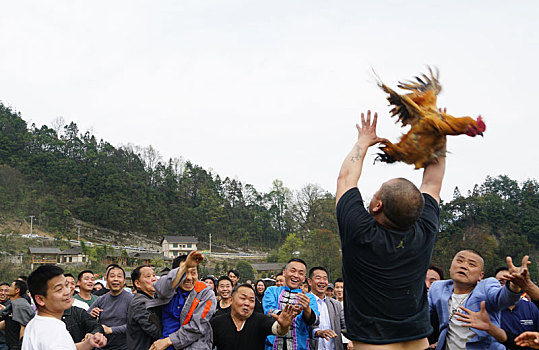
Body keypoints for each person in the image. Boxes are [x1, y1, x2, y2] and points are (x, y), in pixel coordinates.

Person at [335, 111, 446, 349]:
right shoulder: (424, 232)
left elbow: (346, 180)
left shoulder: (359, 232)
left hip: (373, 342)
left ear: (377, 206)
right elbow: (432, 184)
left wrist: (363, 141)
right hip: (418, 340)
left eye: (378, 190)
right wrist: (438, 135)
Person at [428, 250, 526, 349]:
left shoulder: (486, 287)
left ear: (481, 275)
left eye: (471, 264)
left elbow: (503, 299)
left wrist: (515, 285)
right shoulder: (438, 287)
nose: (464, 266)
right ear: (450, 267)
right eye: (460, 261)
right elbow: (423, 315)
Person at [22, 265, 107, 350]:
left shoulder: (36, 323)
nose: (67, 291)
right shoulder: (54, 332)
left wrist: (88, 343)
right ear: (40, 299)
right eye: (59, 289)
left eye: (66, 285)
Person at [147, 251, 216, 350]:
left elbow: (197, 327)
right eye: (184, 273)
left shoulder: (205, 293)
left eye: (193, 273)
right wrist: (184, 267)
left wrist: (168, 341)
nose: (188, 278)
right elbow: (161, 288)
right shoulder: (169, 288)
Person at [211, 283, 301, 350]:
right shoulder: (217, 322)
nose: (247, 303)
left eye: (251, 300)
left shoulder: (260, 320)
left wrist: (284, 326)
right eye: (243, 298)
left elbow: (278, 329)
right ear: (231, 300)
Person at [263, 258, 319, 350]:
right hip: (272, 345)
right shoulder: (272, 291)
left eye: (300, 273)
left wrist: (307, 310)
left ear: (304, 278)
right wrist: (285, 315)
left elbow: (315, 321)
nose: (296, 275)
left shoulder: (310, 297)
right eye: (293, 271)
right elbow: (268, 311)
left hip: (300, 346)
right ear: (284, 272)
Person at [89, 264, 133, 350]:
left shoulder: (131, 300)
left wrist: (111, 330)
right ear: (107, 280)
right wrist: (91, 315)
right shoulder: (101, 299)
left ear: (124, 281)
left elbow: (134, 325)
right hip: (101, 347)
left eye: (119, 276)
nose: (116, 279)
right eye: (112, 276)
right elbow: (85, 319)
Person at [308, 267, 346, 350]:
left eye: (325, 278)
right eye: (318, 278)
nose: (322, 281)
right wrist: (318, 332)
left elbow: (345, 325)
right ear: (310, 281)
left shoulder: (336, 304)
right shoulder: (305, 302)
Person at [62, 273, 104, 342]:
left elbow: (96, 326)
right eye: (66, 284)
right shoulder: (46, 313)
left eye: (72, 283)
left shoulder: (79, 311)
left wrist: (92, 334)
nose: (69, 287)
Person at [126, 265, 160, 350]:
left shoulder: (153, 298)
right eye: (148, 276)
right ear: (137, 283)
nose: (154, 279)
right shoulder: (140, 303)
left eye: (154, 275)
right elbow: (156, 331)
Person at [0, 280, 34, 350]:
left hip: (16, 346)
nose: (8, 289)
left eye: (11, 287)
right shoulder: (13, 305)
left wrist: (21, 346)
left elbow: (23, 327)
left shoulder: (21, 305)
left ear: (17, 290)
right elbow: (8, 322)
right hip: (9, 345)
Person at [0, 282, 11, 350]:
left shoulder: (12, 305)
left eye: (6, 291)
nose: (3, 293)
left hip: (5, 342)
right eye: (1, 290)